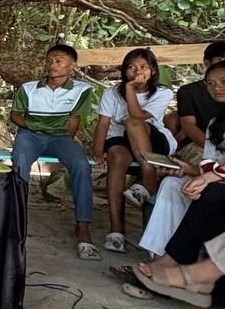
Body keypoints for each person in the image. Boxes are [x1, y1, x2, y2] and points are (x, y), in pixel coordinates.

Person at [10, 44, 98, 259]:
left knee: (81, 164)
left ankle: (83, 225)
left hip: (60, 138)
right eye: (49, 60)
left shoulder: (82, 90)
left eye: (59, 61)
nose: (52, 65)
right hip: (29, 135)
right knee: (20, 160)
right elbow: (15, 115)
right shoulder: (29, 88)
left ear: (72, 65)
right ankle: (15, 219)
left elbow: (74, 120)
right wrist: (32, 127)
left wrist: (63, 140)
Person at [137, 60, 225, 258]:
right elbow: (209, 163)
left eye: (223, 81)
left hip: (219, 184)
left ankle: (178, 263)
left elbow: (211, 174)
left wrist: (209, 178)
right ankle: (159, 256)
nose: (217, 88)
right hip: (219, 180)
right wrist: (188, 170)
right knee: (173, 183)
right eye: (210, 83)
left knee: (211, 190)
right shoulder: (216, 123)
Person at [92, 48, 175, 253]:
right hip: (121, 139)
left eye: (143, 67)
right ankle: (116, 231)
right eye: (131, 67)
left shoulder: (163, 92)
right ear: (124, 71)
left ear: (153, 70)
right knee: (116, 157)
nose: (137, 72)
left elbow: (137, 117)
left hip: (154, 140)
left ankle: (148, 177)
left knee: (132, 123)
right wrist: (97, 148)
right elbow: (103, 123)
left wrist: (130, 90)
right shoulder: (112, 92)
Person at [174, 40, 225, 165]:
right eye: (220, 60)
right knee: (206, 163)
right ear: (207, 63)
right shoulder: (189, 92)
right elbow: (189, 126)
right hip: (198, 144)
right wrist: (214, 150)